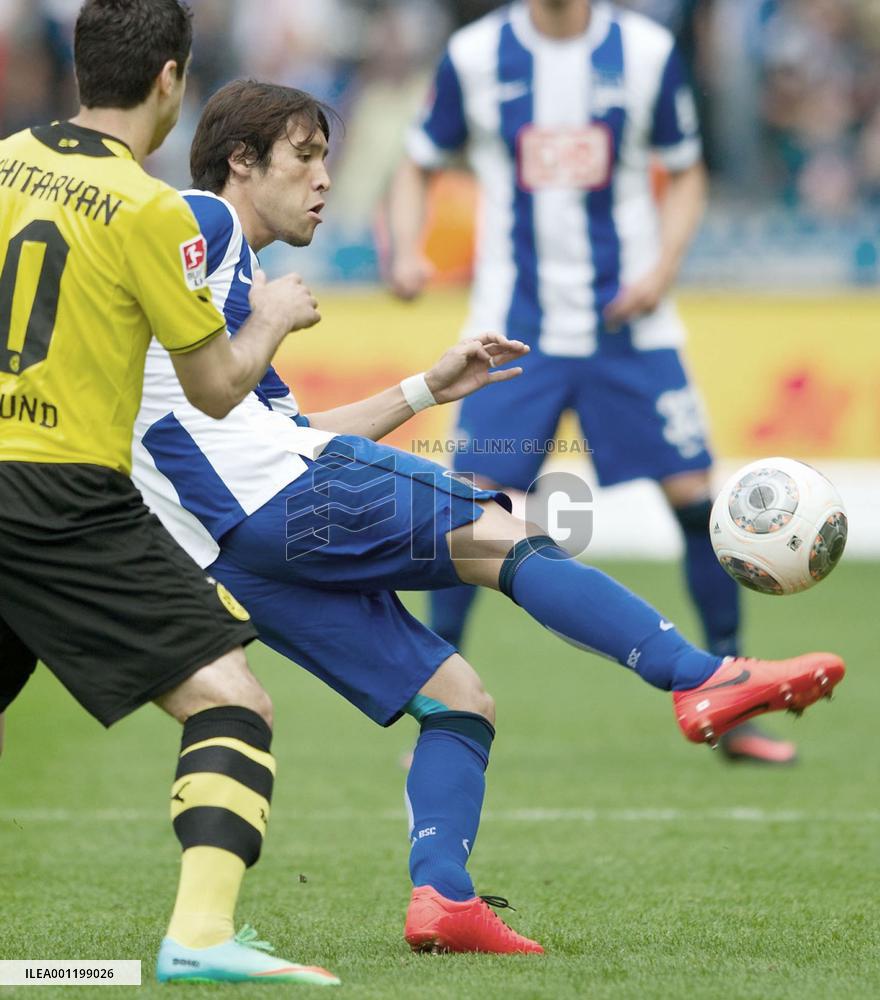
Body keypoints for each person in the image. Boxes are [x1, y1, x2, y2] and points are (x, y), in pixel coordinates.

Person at [129, 78, 844, 955]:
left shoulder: (227, 290)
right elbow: (232, 404)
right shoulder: (200, 221)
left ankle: (443, 900)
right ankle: (700, 677)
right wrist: (273, 316)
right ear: (242, 162)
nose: (323, 180)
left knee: (458, 698)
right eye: (305, 157)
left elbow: (275, 427)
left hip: (233, 546)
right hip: (271, 496)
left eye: (326, 160)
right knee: (498, 528)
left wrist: (428, 386)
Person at [0, 0, 339, 987]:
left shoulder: (7, 161)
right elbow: (217, 389)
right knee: (232, 700)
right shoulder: (151, 211)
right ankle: (199, 933)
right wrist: (270, 315)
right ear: (169, 80)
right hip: (64, 492)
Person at [386, 0, 794, 764]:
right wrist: (406, 248)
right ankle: (434, 704)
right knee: (466, 510)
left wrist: (661, 270)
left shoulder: (643, 52)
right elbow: (418, 162)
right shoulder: (478, 55)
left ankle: (734, 703)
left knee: (697, 500)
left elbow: (689, 170)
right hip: (514, 334)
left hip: (629, 330)